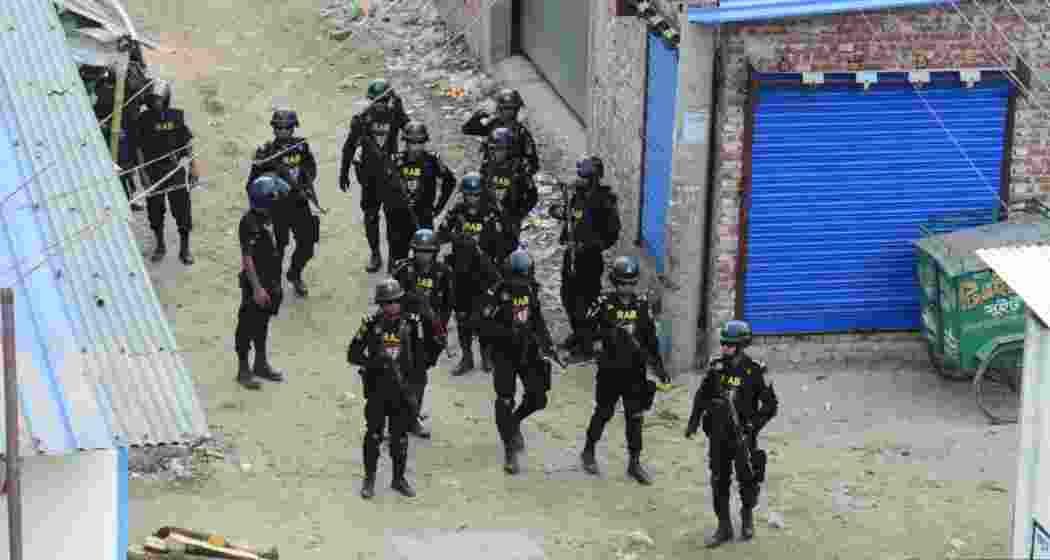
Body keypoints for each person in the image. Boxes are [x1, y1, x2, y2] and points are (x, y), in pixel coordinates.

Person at [347, 278, 444, 499]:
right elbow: (352, 354)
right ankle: (369, 478)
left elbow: (425, 351)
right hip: (378, 389)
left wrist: (418, 372)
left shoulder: (412, 324)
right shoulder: (370, 324)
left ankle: (398, 479)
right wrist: (374, 364)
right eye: (386, 303)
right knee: (373, 435)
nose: (392, 306)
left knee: (400, 437)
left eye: (395, 302)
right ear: (380, 305)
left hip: (403, 390)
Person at [686, 320, 779, 546]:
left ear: (741, 346)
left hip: (744, 436)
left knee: (748, 479)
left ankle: (747, 516)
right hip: (718, 435)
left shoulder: (756, 370)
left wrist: (752, 427)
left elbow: (770, 406)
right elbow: (701, 396)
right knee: (719, 480)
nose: (725, 348)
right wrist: (694, 422)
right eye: (723, 343)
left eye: (730, 345)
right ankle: (724, 526)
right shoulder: (716, 367)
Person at [579, 256, 670, 485]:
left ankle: (634, 462)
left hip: (635, 372)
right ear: (614, 283)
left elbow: (650, 339)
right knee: (603, 412)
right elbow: (585, 329)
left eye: (630, 283)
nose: (626, 288)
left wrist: (659, 367)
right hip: (610, 370)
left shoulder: (642, 306)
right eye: (622, 283)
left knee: (635, 418)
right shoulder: (603, 303)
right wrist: (597, 343)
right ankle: (588, 450)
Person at [475, 249, 558, 475]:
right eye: (516, 277)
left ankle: (514, 422)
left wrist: (548, 345)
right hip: (504, 353)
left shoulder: (531, 291)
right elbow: (481, 324)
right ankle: (509, 449)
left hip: (528, 351)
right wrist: (505, 332)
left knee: (539, 398)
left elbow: (538, 319)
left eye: (524, 277)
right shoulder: (496, 293)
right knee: (505, 400)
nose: (520, 282)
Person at [436, 173, 509, 376]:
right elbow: (440, 235)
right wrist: (456, 237)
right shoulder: (457, 212)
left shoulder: (491, 213)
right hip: (460, 271)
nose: (471, 199)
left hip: (484, 272)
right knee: (461, 316)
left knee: (485, 317)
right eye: (468, 194)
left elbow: (504, 242)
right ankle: (467, 357)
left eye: (475, 194)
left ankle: (486, 356)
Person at [245, 109, 320, 296]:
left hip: (299, 204)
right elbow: (251, 185)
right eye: (279, 127)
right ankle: (274, 281)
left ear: (293, 128)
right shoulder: (265, 153)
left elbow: (311, 168)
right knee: (276, 250)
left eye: (287, 127)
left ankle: (295, 274)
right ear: (273, 129)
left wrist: (305, 185)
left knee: (308, 245)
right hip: (276, 208)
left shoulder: (301, 147)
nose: (283, 131)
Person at [339, 79, 411, 272]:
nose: (380, 105)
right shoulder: (362, 119)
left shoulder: (395, 116)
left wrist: (400, 107)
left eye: (384, 101)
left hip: (390, 174)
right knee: (370, 216)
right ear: (370, 101)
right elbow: (349, 147)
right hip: (369, 175)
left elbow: (411, 131)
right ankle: (375, 253)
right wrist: (343, 172)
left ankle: (393, 257)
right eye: (376, 101)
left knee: (392, 217)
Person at [391, 228, 454, 438]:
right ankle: (401, 419)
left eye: (427, 251)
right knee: (402, 375)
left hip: (428, 332)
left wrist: (440, 326)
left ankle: (412, 415)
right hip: (404, 331)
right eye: (419, 251)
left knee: (419, 376)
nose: (423, 255)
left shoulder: (443, 272)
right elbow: (389, 300)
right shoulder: (403, 270)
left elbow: (447, 304)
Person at [558, 156, 621, 360]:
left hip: (589, 259)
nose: (579, 179)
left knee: (584, 302)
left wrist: (591, 245)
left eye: (584, 177)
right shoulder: (577, 196)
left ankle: (586, 346)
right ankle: (579, 334)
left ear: (593, 178)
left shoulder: (604, 201)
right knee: (567, 297)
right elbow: (570, 216)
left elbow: (612, 233)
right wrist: (559, 212)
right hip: (572, 254)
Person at [132, 79, 198, 264]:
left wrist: (193, 166)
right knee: (155, 210)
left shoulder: (176, 117)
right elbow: (138, 148)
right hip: (153, 171)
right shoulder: (143, 120)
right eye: (153, 99)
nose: (156, 103)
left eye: (159, 99)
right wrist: (143, 173)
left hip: (174, 168)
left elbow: (187, 142)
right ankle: (160, 245)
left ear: (166, 99)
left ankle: (185, 249)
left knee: (182, 210)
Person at [235, 173, 292, 390]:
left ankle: (260, 364)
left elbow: (287, 190)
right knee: (246, 325)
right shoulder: (249, 223)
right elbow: (247, 259)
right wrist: (257, 289)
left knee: (263, 324)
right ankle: (242, 369)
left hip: (271, 280)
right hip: (255, 283)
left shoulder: (269, 215)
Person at [385, 121, 457, 266]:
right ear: (405, 142)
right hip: (398, 219)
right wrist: (390, 209)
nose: (416, 147)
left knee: (426, 260)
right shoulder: (394, 161)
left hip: (423, 217)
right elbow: (381, 187)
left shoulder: (432, 160)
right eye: (412, 143)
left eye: (419, 143)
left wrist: (438, 207)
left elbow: (450, 181)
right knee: (397, 260)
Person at [479, 127, 537, 250]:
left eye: (499, 149)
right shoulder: (487, 166)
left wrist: (519, 214)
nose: (495, 153)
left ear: (509, 150)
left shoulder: (519, 168)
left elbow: (532, 196)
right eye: (492, 149)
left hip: (510, 221)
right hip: (487, 219)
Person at [462, 88, 539, 174]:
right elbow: (467, 129)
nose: (508, 112)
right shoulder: (491, 124)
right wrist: (479, 114)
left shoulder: (521, 132)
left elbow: (533, 160)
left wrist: (526, 170)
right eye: (505, 108)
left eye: (511, 109)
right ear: (499, 109)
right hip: (489, 174)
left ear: (516, 110)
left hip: (513, 177)